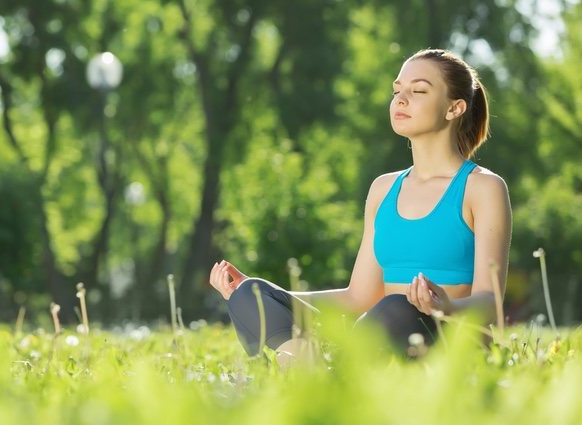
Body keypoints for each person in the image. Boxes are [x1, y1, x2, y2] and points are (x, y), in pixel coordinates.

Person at [208, 49, 512, 362]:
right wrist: (270, 295)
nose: (401, 99)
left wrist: (444, 306)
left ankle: (327, 376)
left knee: (399, 306)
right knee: (253, 293)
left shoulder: (483, 188)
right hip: (379, 336)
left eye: (418, 90)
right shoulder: (383, 189)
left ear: (454, 107)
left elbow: (490, 302)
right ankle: (303, 366)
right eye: (397, 91)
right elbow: (359, 297)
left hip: (450, 346)